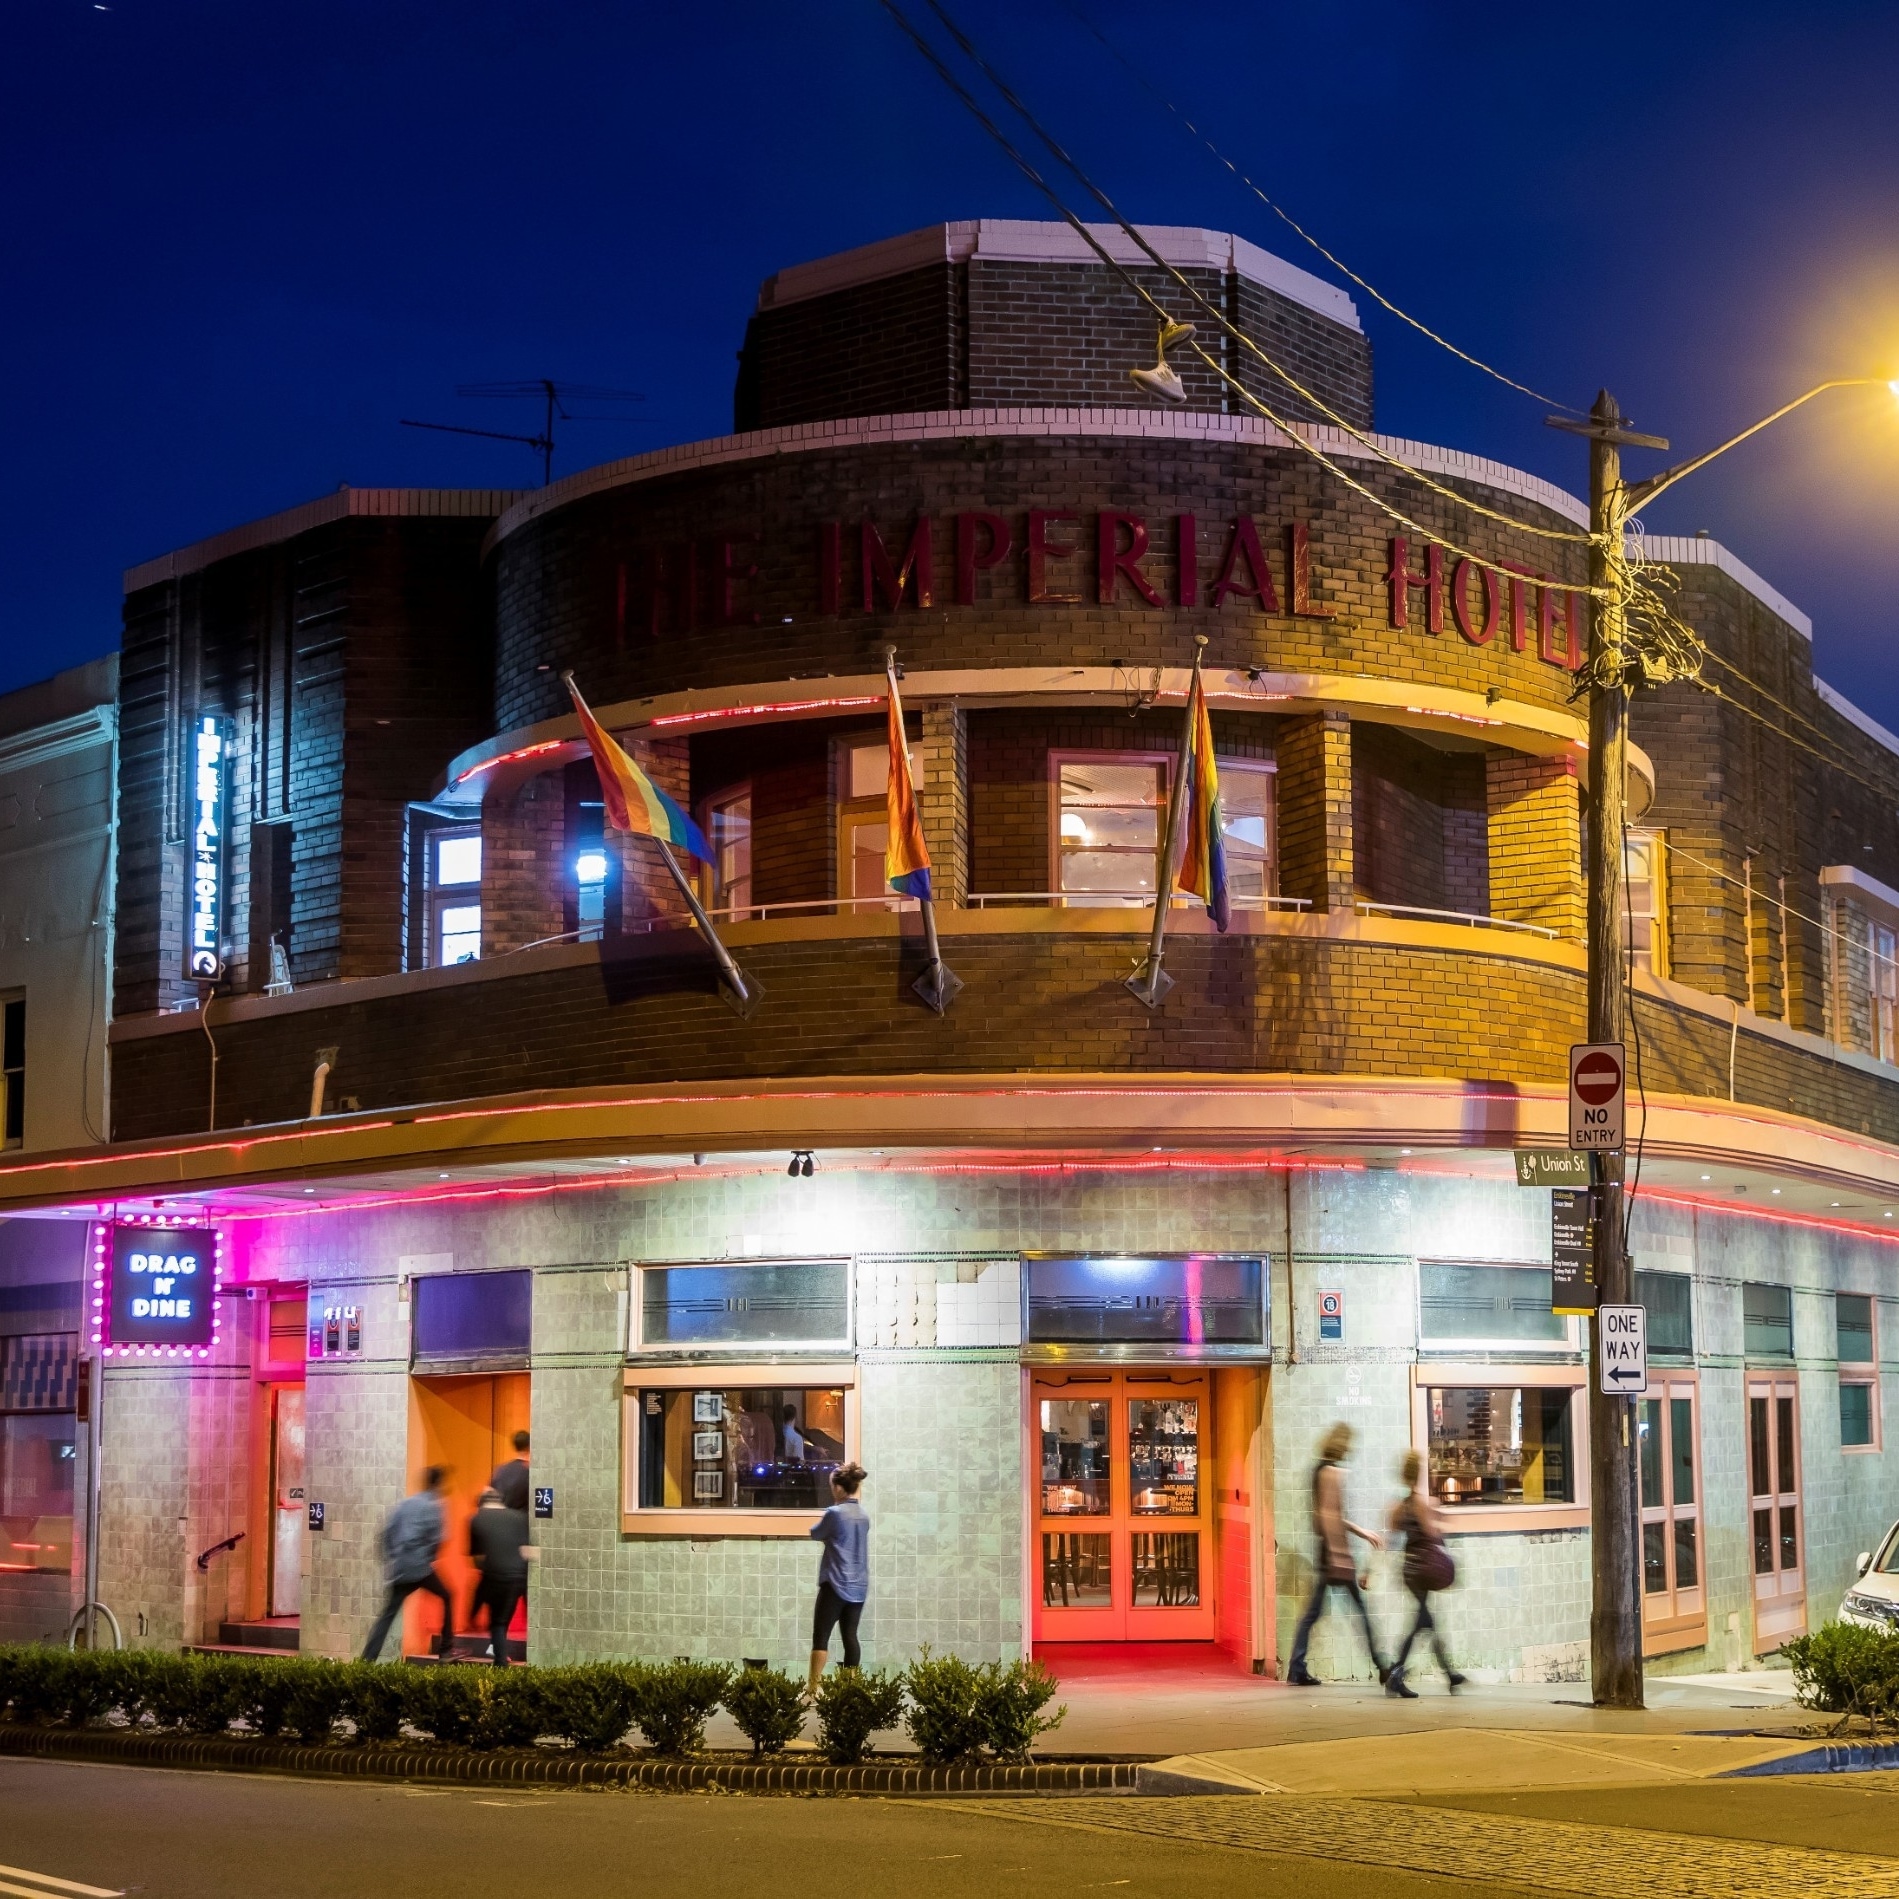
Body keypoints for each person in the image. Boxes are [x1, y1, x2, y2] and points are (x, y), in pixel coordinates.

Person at [1285, 1423, 1389, 1687]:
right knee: (1357, 1612)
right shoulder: (1331, 1472)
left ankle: (1297, 1667)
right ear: (1341, 1445)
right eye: (1348, 1444)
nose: (1349, 1449)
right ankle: (1382, 1665)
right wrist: (1340, 1555)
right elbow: (1329, 1517)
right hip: (1334, 1555)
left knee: (1313, 1614)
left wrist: (1360, 1533)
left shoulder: (1319, 1470)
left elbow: (1327, 1515)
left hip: (1328, 1553)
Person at [1386, 1449, 1466, 1698]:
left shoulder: (1398, 1507)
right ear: (1419, 1474)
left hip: (1410, 1571)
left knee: (1426, 1622)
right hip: (1425, 1569)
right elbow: (1432, 1534)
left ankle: (1450, 1674)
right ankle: (1396, 1673)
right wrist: (1439, 1518)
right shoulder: (1421, 1504)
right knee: (1422, 1623)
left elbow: (1391, 1538)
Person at [362, 1465, 452, 1661]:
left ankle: (367, 1658)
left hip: (400, 1568)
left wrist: (392, 1558)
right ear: (438, 1484)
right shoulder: (435, 1506)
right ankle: (446, 1650)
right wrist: (429, 1559)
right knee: (447, 1596)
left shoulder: (406, 1504)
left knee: (388, 1614)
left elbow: (387, 1533)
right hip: (421, 1568)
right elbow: (438, 1539)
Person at [806, 1461, 869, 1696]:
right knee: (850, 1636)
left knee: (821, 1637)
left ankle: (813, 1689)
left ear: (840, 1488)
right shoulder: (863, 1515)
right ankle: (850, 1689)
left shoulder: (835, 1513)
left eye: (832, 1486)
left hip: (834, 1583)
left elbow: (816, 1533)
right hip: (859, 1585)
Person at [468, 1484, 531, 1666]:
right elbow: (526, 1550)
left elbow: (477, 1557)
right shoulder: (519, 1517)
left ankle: (500, 1660)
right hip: (517, 1578)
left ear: (481, 1504)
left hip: (494, 1576)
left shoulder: (477, 1519)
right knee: (501, 1621)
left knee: (496, 1623)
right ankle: (499, 1655)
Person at [491, 1429, 531, 1513]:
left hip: (501, 1517)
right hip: (522, 1518)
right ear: (529, 1446)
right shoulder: (529, 1471)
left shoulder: (501, 1469)